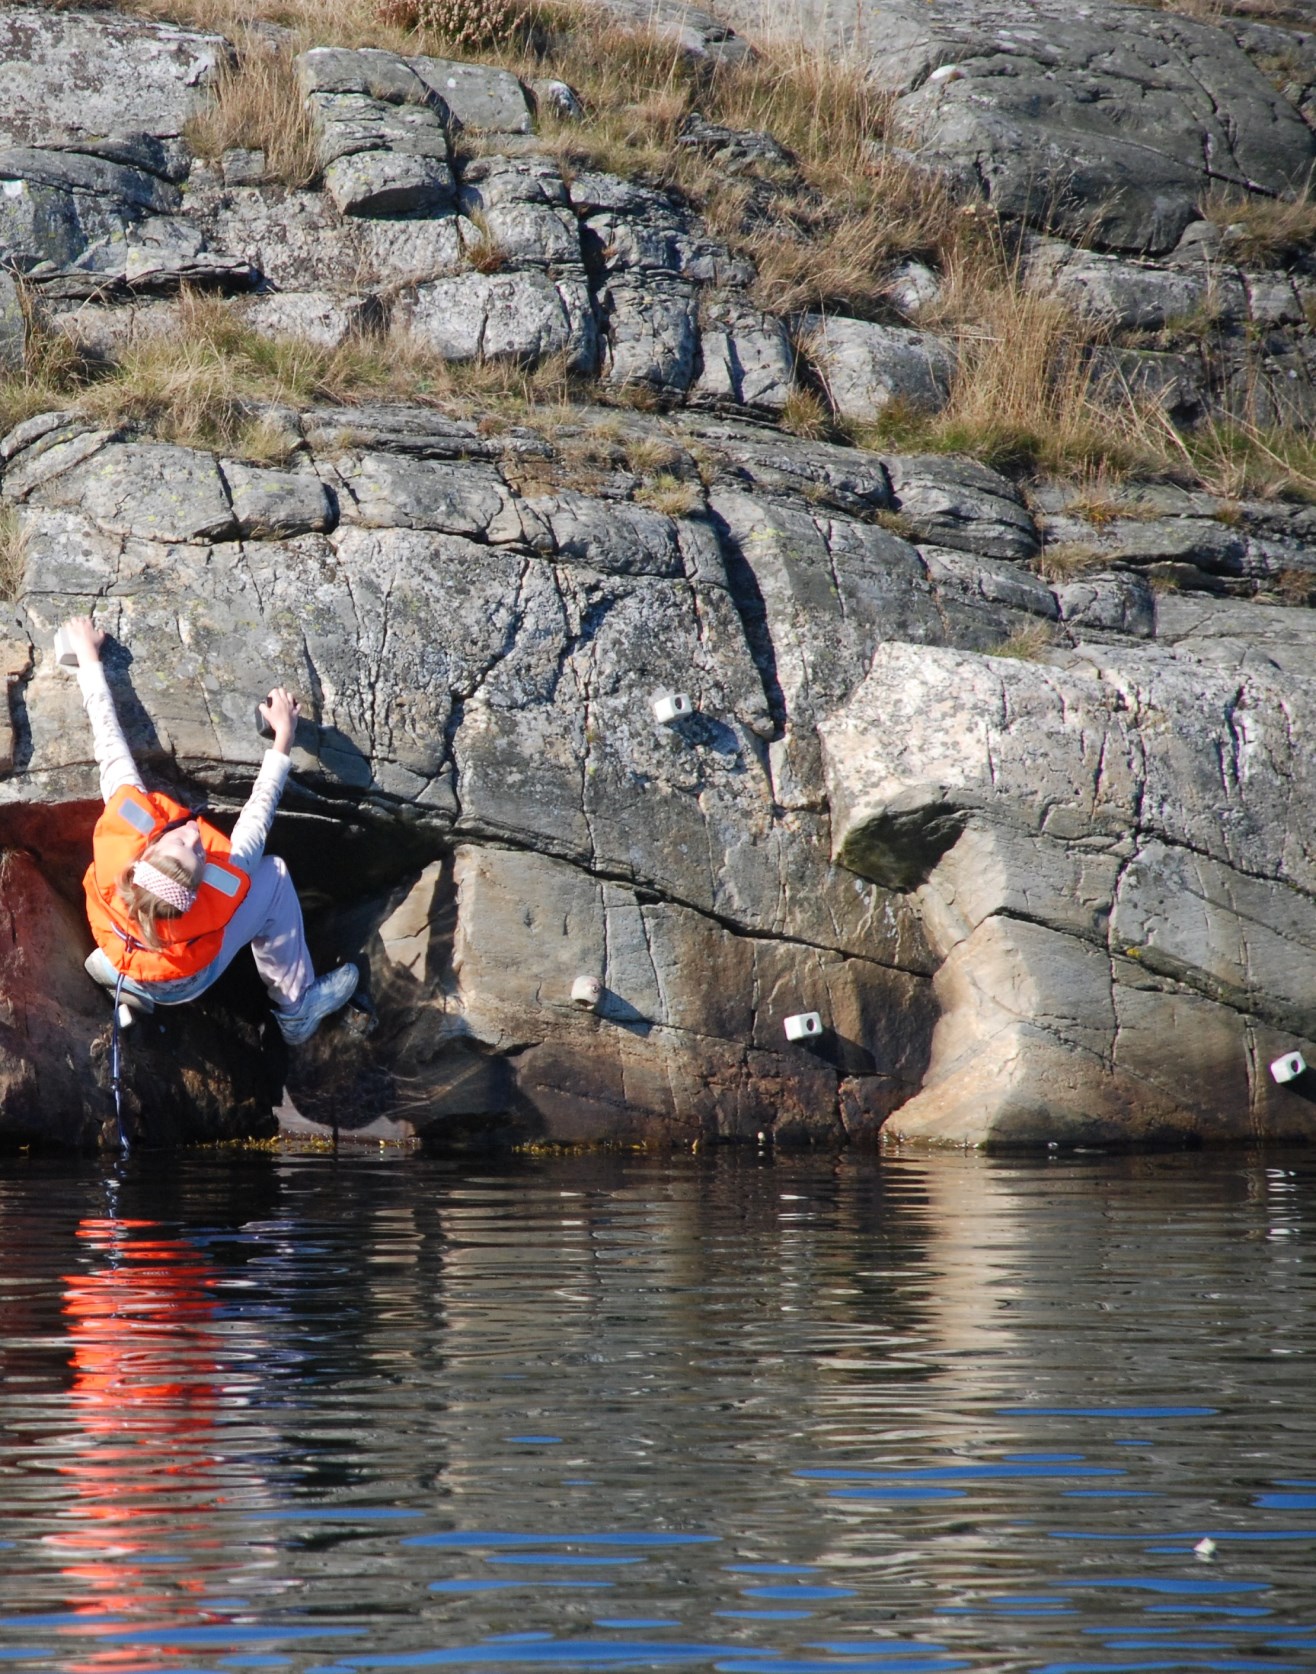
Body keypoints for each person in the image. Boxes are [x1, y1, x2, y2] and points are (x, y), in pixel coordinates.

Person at [64, 615, 359, 1045]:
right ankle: (297, 1011)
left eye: (183, 842)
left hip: (125, 957)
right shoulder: (217, 883)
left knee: (133, 950)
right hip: (186, 981)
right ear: (199, 890)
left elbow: (109, 742)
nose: (197, 839)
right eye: (198, 856)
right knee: (274, 876)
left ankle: (126, 981)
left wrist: (88, 656)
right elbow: (258, 814)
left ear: (145, 853)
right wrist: (283, 739)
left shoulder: (124, 839)